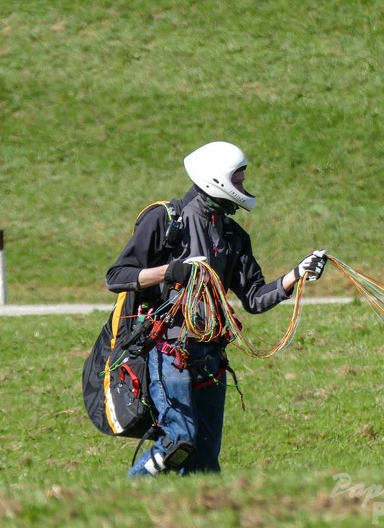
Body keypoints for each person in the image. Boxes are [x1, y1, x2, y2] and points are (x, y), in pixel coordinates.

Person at [105, 141, 327, 476]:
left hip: (209, 359)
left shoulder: (233, 236)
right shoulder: (165, 220)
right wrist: (170, 271)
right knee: (179, 440)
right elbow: (117, 276)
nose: (242, 188)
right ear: (217, 180)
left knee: (206, 462)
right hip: (169, 353)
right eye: (237, 181)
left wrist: (297, 275)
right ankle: (130, 492)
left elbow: (253, 298)